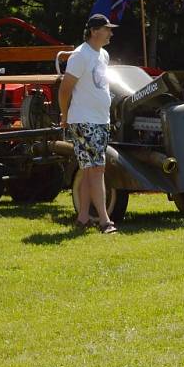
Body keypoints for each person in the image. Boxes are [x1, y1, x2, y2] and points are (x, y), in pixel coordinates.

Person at [58, 14, 118, 234]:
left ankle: (83, 219)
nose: (111, 33)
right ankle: (105, 221)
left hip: (100, 121)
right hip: (84, 121)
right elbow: (64, 90)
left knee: (89, 169)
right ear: (94, 31)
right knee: (97, 170)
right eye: (107, 29)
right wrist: (64, 115)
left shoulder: (103, 55)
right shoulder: (80, 55)